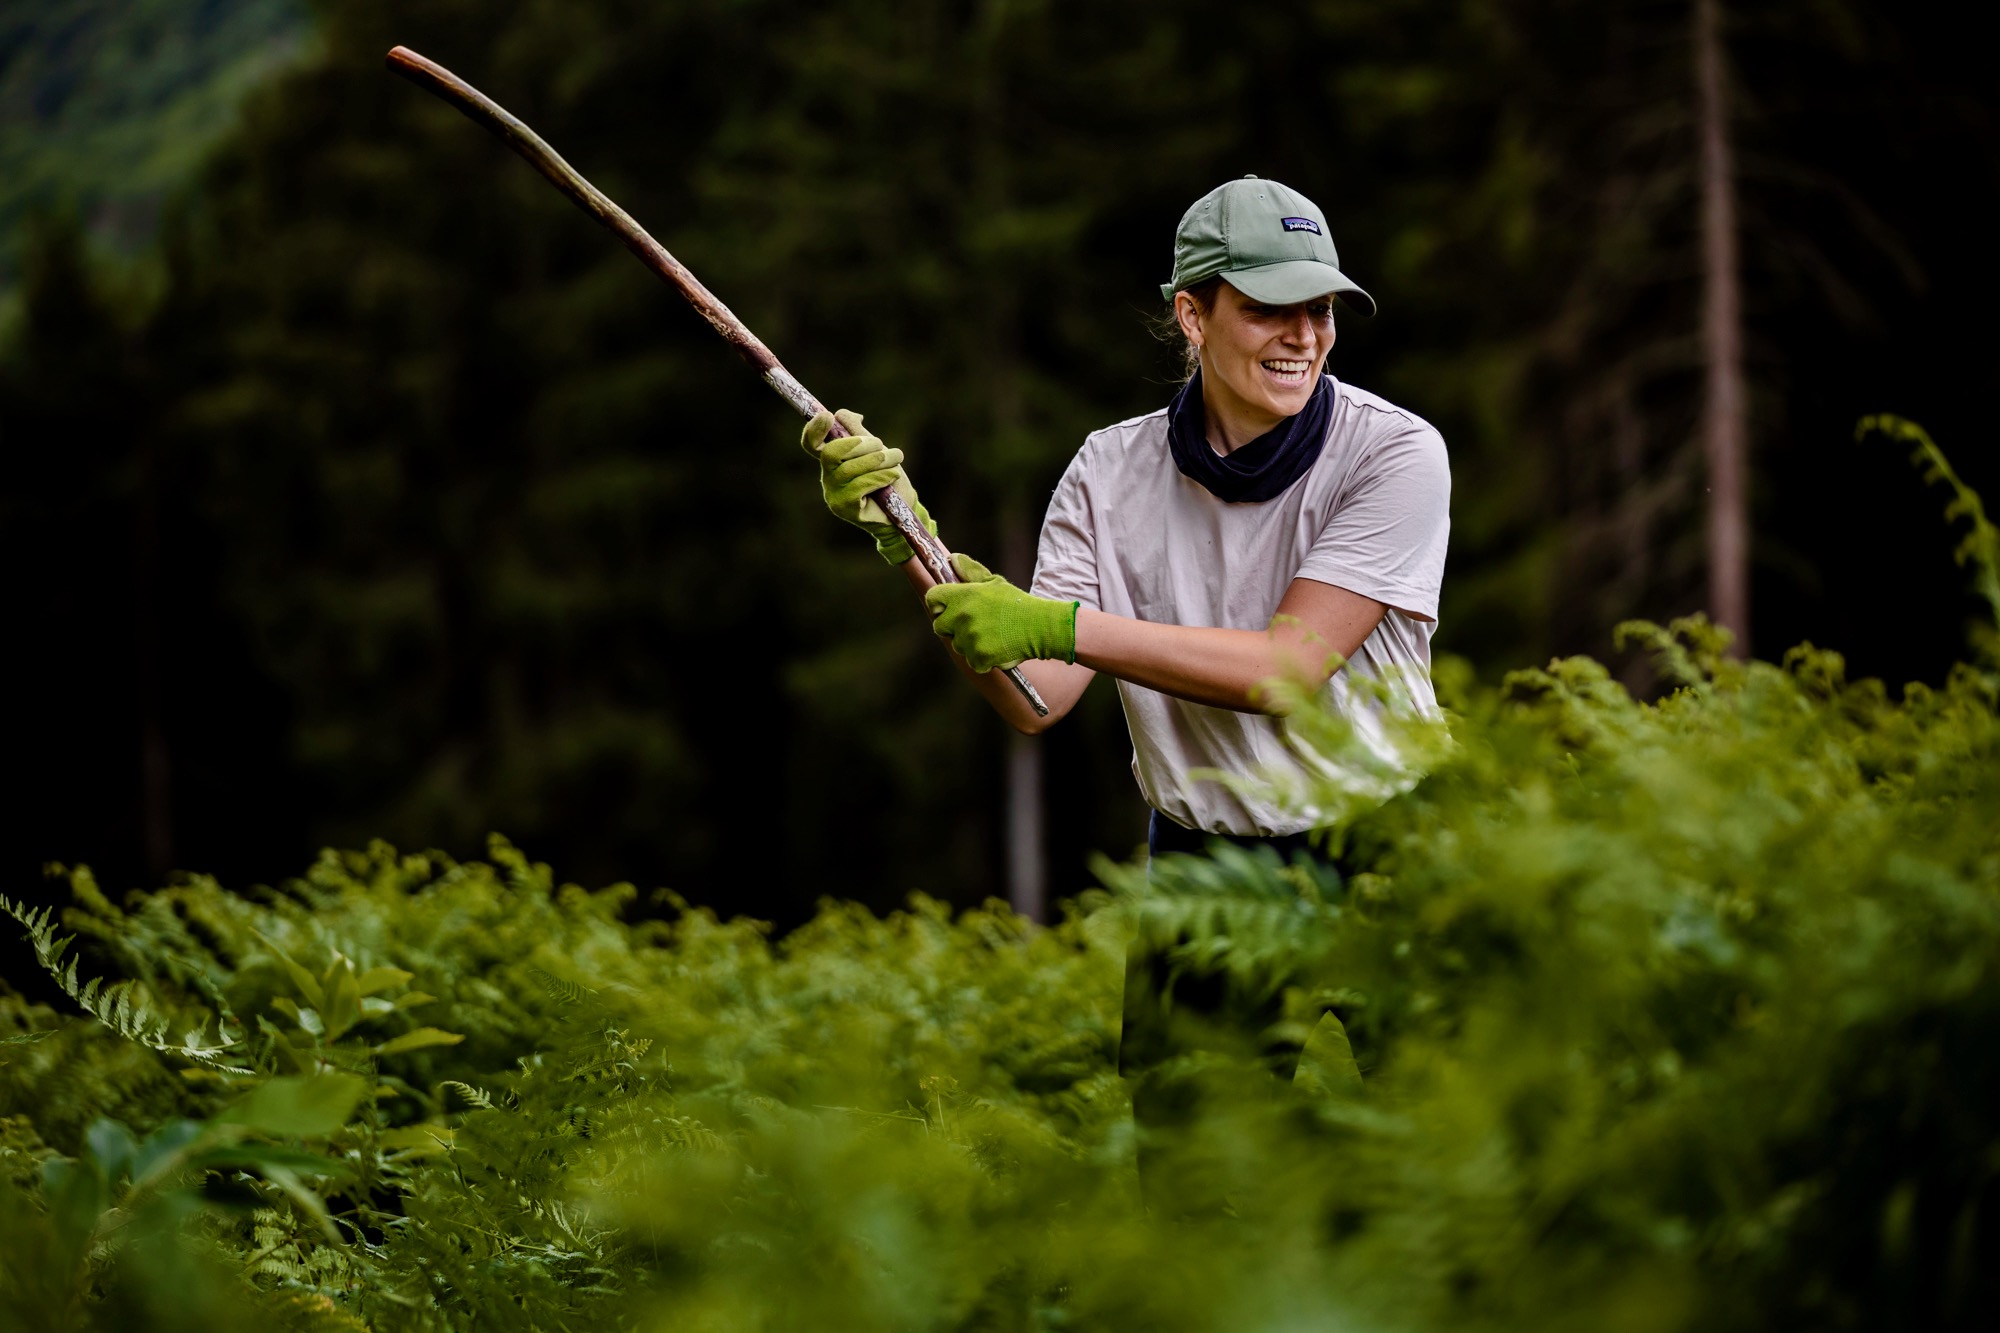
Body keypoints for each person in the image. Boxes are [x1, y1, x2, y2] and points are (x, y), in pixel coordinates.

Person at [799, 175, 1449, 1143]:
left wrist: (1058, 623)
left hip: (1389, 851)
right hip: (1204, 864)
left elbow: (1287, 668)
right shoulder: (1107, 473)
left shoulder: (1393, 454)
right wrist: (910, 545)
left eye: (1319, 308)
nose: (1303, 335)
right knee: (1191, 1199)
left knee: (1455, 1174)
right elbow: (1034, 696)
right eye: (1269, 307)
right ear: (1192, 314)